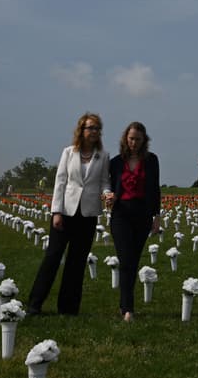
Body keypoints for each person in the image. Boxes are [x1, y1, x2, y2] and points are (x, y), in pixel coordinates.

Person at [26, 112, 113, 316]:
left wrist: (108, 194)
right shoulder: (68, 152)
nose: (94, 131)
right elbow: (60, 182)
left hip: (88, 213)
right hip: (65, 212)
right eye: (90, 127)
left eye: (97, 128)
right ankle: (34, 304)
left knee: (77, 261)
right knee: (53, 257)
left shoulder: (103, 156)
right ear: (81, 130)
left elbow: (104, 182)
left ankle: (68, 308)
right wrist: (56, 212)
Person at [109, 121, 162, 321]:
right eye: (131, 138)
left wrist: (156, 217)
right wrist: (108, 197)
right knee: (126, 260)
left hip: (142, 214)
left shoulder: (151, 160)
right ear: (125, 138)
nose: (134, 143)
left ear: (144, 140)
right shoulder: (115, 162)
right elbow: (108, 187)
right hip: (121, 214)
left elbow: (155, 189)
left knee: (134, 260)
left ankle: (126, 305)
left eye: (138, 139)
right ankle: (127, 308)